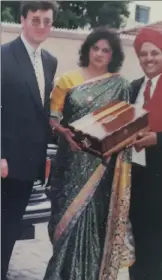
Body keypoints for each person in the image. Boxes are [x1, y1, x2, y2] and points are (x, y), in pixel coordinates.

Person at [44, 27, 135, 280]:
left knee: (95, 226)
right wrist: (62, 132)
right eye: (95, 48)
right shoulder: (68, 80)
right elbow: (53, 117)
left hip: (101, 168)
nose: (99, 54)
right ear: (87, 49)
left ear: (113, 55)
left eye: (106, 50)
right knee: (64, 226)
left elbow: (122, 131)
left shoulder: (121, 86)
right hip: (69, 162)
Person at [1, 1, 57, 278]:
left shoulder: (49, 61)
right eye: (36, 19)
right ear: (22, 20)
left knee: (10, 226)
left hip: (28, 162)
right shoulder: (3, 55)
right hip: (4, 160)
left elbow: (40, 109)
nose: (41, 26)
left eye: (47, 21)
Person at [129, 28, 162, 280]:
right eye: (143, 54)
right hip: (137, 180)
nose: (149, 58)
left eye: (155, 53)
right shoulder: (135, 87)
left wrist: (159, 139)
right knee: (140, 250)